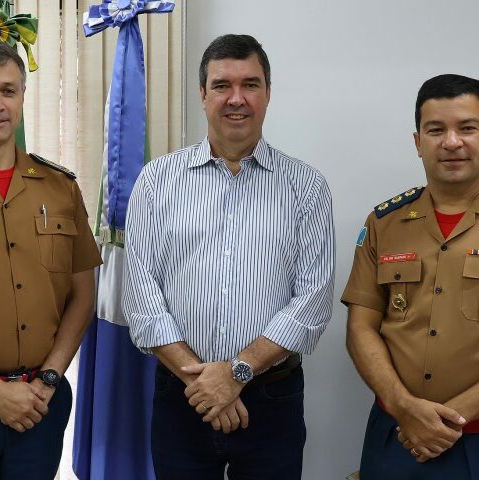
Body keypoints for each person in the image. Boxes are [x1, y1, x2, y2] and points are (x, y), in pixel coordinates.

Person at [123, 34, 334, 479]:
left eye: (250, 85)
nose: (236, 99)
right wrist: (204, 384)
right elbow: (142, 296)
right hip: (182, 397)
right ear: (202, 94)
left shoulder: (306, 187)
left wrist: (236, 372)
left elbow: (312, 301)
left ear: (268, 94)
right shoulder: (156, 180)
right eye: (222, 85)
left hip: (271, 399)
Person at [342, 74, 479, 479]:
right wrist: (405, 408)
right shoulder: (385, 223)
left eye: (467, 128)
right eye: (436, 130)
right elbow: (360, 329)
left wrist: (445, 421)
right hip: (397, 431)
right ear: (418, 142)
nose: (451, 142)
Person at [0, 38, 102, 479]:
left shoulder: (59, 187)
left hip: (41, 401)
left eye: (8, 91)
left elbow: (83, 297)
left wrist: (49, 379)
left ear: (22, 99)